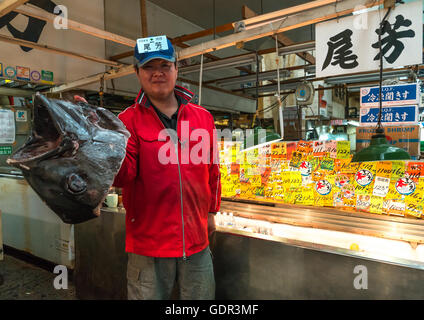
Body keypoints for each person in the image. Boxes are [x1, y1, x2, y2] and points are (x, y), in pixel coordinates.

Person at [112, 37, 221, 300]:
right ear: (137, 72)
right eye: (149, 67)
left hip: (197, 243)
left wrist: (211, 212)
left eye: (165, 65)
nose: (158, 72)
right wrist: (96, 138)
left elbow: (213, 170)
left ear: (176, 69)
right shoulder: (126, 121)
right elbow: (122, 176)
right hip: (148, 245)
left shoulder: (203, 117)